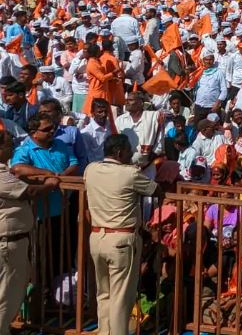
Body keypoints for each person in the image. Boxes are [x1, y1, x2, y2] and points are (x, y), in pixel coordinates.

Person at [0, 130, 59, 335]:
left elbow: (16, 173)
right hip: (0, 245)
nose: (13, 148)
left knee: (9, 294)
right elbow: (30, 192)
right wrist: (50, 184)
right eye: (9, 145)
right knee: (0, 299)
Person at [85, 134, 160, 335]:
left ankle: (105, 332)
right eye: (128, 151)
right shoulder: (129, 174)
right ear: (120, 152)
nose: (131, 155)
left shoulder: (90, 170)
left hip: (96, 237)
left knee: (104, 294)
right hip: (121, 240)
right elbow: (155, 189)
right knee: (121, 297)